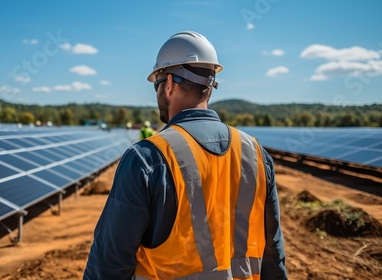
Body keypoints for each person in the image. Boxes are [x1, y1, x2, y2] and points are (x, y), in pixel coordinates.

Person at [84, 31, 287, 279]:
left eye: (157, 84)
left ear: (168, 83)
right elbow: (273, 257)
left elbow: (109, 264)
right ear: (210, 87)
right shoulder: (256, 154)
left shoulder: (147, 158)